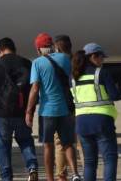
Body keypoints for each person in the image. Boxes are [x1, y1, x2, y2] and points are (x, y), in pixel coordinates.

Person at [0, 38, 38, 181]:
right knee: (25, 140)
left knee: (3, 146)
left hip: (2, 112)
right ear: (14, 48)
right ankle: (32, 168)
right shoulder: (26, 63)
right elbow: (33, 88)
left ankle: (6, 177)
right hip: (22, 110)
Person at [25, 33, 80, 181]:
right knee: (68, 144)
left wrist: (29, 111)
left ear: (38, 49)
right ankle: (75, 173)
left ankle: (50, 179)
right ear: (51, 46)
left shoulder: (37, 63)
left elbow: (35, 89)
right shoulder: (65, 59)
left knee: (48, 146)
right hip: (65, 110)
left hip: (47, 111)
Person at [71, 43, 119, 181]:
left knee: (90, 162)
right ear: (93, 57)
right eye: (101, 57)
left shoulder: (73, 77)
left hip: (81, 122)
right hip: (102, 121)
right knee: (109, 159)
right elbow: (114, 95)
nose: (102, 61)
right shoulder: (101, 73)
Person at [53, 34, 75, 181]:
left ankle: (62, 176)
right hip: (77, 106)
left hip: (59, 106)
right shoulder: (77, 61)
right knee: (79, 143)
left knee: (60, 143)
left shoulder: (53, 62)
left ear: (57, 47)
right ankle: (83, 172)